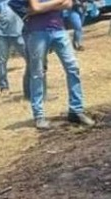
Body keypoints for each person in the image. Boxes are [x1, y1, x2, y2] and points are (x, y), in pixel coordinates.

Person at [25, 0, 93, 129]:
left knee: (73, 68)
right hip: (37, 32)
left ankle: (76, 110)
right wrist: (57, 3)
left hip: (59, 30)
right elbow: (35, 7)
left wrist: (40, 8)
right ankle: (39, 116)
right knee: (37, 73)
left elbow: (68, 4)